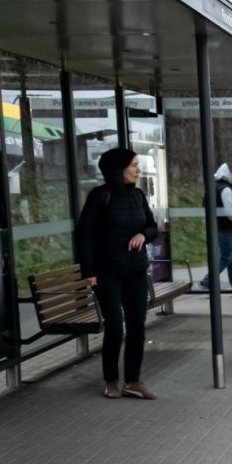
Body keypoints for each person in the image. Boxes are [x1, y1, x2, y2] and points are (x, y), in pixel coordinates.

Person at [77, 147, 159, 399]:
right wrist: (89, 271)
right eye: (133, 165)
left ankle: (132, 381)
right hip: (108, 272)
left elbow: (152, 226)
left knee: (137, 327)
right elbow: (85, 235)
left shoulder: (137, 195)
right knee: (115, 327)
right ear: (118, 168)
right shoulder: (100, 196)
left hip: (135, 271)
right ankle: (111, 379)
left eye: (137, 164)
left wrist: (142, 235)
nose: (138, 169)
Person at [198, 163, 232, 291]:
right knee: (226, 258)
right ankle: (206, 281)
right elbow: (229, 211)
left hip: (217, 227)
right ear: (227, 173)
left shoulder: (214, 186)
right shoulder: (226, 189)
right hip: (225, 228)